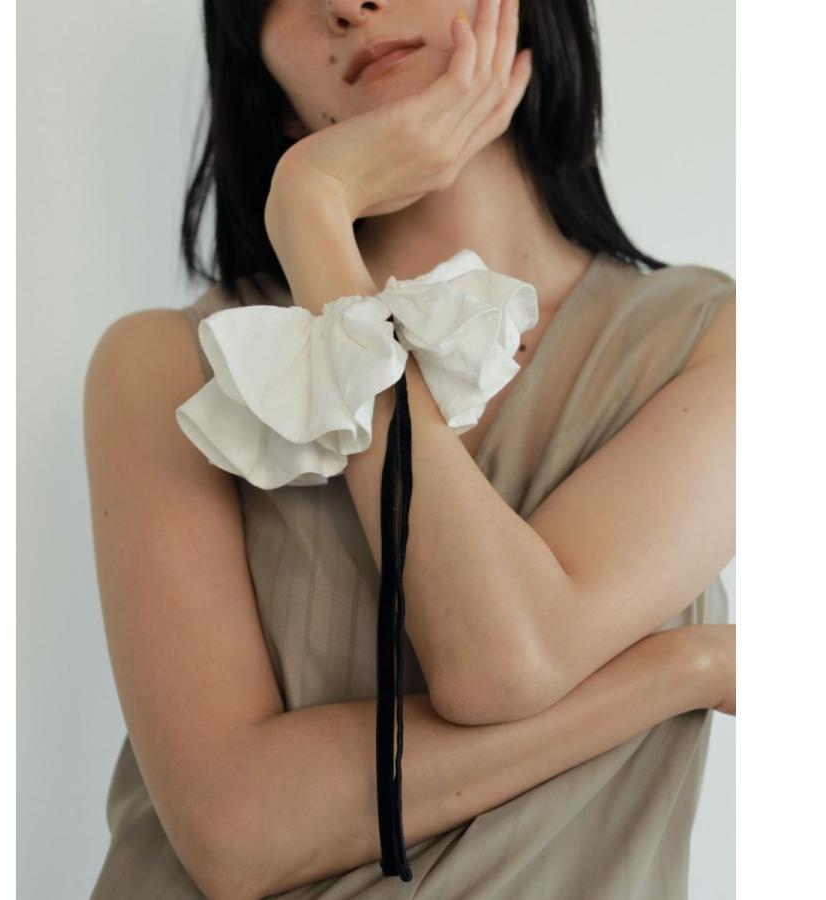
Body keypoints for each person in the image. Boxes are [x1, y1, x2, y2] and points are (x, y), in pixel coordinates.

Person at [83, 0, 736, 897]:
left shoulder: (719, 344)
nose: (347, 4)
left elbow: (504, 655)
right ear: (267, 89)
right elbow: (237, 831)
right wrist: (683, 668)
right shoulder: (169, 365)